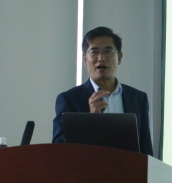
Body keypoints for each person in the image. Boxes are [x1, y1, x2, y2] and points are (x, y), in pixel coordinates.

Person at [52, 27, 153, 156]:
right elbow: (58, 148)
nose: (101, 58)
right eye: (94, 52)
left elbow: (145, 149)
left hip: (127, 168)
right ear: (85, 59)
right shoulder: (69, 99)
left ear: (119, 57)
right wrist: (90, 119)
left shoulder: (138, 98)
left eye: (108, 51)